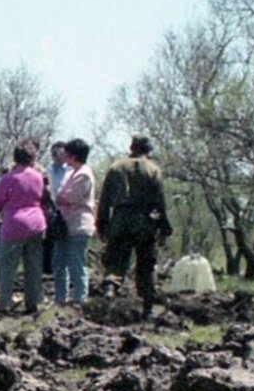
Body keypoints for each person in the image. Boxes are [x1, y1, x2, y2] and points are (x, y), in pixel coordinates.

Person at [98, 136, 172, 318]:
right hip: (144, 221)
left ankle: (110, 288)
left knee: (115, 260)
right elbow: (160, 202)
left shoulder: (116, 168)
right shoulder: (153, 169)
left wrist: (102, 225)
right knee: (146, 265)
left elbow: (104, 200)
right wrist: (164, 227)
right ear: (148, 151)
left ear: (131, 148)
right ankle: (148, 308)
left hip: (120, 219)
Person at [0, 139, 47, 314]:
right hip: (36, 224)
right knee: (33, 267)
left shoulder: (8, 178)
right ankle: (33, 303)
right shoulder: (38, 177)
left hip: (13, 225)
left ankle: (5, 303)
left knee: (8, 267)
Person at [53, 138, 97, 305]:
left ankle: (80, 300)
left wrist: (62, 197)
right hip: (66, 224)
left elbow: (69, 196)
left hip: (79, 225)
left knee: (76, 264)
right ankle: (60, 299)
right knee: (59, 262)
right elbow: (59, 197)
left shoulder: (84, 174)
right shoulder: (71, 173)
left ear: (73, 155)